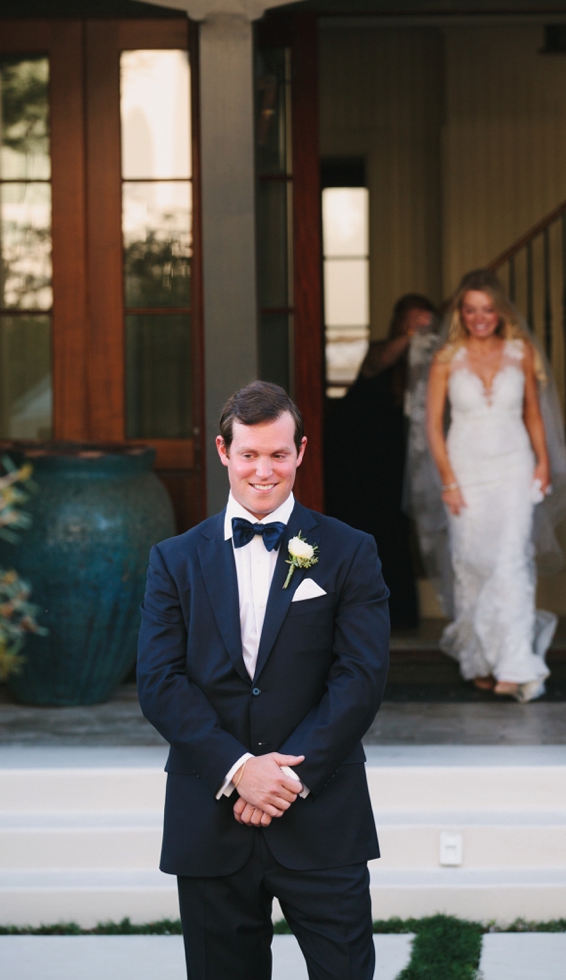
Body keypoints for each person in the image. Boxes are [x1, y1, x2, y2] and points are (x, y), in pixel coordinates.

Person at [137, 381, 391, 980]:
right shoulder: (173, 560)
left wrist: (284, 778)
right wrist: (239, 769)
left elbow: (360, 676)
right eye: (249, 454)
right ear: (224, 452)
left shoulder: (350, 551)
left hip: (321, 817)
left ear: (300, 452)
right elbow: (159, 681)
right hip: (211, 817)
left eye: (278, 454)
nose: (263, 469)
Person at [425, 270, 565, 703]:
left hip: (513, 467)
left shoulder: (520, 352)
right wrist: (447, 480)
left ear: (500, 312)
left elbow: (532, 413)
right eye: (471, 310)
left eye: (487, 309)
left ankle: (515, 663)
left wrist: (542, 461)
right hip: (465, 470)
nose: (479, 317)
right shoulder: (447, 357)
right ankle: (480, 660)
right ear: (461, 314)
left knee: (511, 561)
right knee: (472, 563)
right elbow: (432, 426)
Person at [325, 294, 437, 630]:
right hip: (353, 451)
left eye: (426, 324)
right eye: (413, 322)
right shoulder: (382, 350)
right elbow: (379, 362)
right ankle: (348, 616)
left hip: (394, 455)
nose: (420, 330)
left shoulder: (431, 360)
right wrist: (412, 337)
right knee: (354, 527)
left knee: (393, 530)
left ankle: (399, 617)